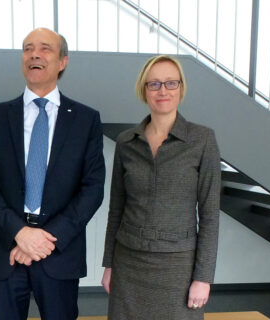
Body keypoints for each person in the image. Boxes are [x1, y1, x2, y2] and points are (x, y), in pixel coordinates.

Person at [0, 28, 105, 320]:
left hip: (58, 252)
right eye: (28, 48)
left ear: (62, 62)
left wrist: (45, 239)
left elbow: (92, 188)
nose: (34, 54)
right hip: (6, 248)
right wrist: (20, 233)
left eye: (45, 49)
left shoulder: (86, 120)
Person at [101, 55, 221, 319]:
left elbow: (210, 215)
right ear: (144, 90)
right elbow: (116, 208)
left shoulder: (202, 140)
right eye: (153, 84)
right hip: (128, 263)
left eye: (170, 83)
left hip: (178, 266)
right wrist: (109, 264)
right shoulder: (126, 141)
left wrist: (203, 277)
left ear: (181, 88)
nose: (162, 91)